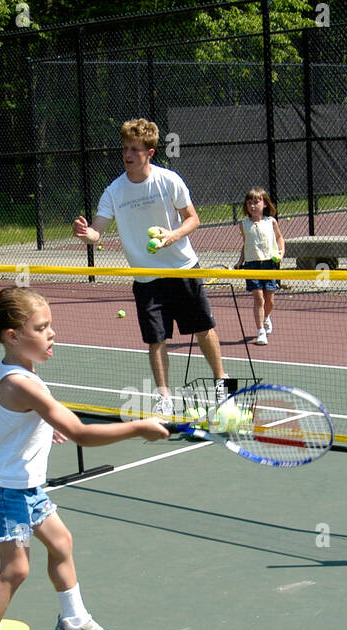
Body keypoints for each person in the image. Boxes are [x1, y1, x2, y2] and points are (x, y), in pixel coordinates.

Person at [0, 286, 169, 630]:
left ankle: (72, 623)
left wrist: (43, 424)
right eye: (42, 328)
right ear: (11, 336)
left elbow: (32, 415)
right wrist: (139, 427)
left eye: (50, 325)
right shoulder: (23, 383)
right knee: (15, 570)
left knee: (61, 542)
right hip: (5, 490)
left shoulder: (21, 368)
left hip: (25, 485)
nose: (52, 333)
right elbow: (81, 433)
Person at [72, 118, 229, 415]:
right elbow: (97, 232)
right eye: (125, 149)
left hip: (182, 268)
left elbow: (193, 218)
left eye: (134, 149)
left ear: (150, 152)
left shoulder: (169, 180)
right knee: (156, 340)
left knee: (204, 328)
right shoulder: (114, 191)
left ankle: (222, 382)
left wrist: (174, 235)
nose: (127, 155)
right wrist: (86, 234)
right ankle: (164, 398)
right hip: (146, 279)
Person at [236, 186, 285, 345]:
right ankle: (260, 331)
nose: (252, 206)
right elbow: (246, 244)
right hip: (252, 265)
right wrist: (240, 261)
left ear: (264, 204)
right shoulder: (243, 224)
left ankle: (266, 317)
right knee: (259, 299)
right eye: (249, 203)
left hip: (270, 264)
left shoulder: (271, 222)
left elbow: (279, 238)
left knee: (269, 300)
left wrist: (281, 253)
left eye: (256, 202)